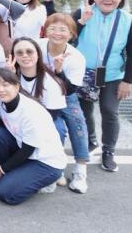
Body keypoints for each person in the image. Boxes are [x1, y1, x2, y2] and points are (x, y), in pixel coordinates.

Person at [72, 0, 132, 173]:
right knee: (84, 112)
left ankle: (108, 151)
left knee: (109, 111)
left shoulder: (127, 19)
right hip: (84, 73)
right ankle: (90, 140)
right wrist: (81, 22)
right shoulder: (82, 13)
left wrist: (127, 81)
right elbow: (67, 37)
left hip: (112, 75)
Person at [0, 68, 67, 205]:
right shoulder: (2, 102)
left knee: (4, 192)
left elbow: (27, 150)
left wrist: (0, 170)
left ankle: (47, 181)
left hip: (46, 162)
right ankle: (16, 175)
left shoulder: (31, 112)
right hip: (26, 151)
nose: (0, 89)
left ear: (17, 86)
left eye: (5, 85)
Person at [36, 14, 89, 192]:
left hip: (65, 93)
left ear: (72, 34)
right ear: (45, 31)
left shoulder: (76, 57)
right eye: (52, 28)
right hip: (39, 93)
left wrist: (59, 71)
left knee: (77, 122)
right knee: (54, 128)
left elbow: (71, 89)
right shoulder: (37, 46)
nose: (57, 33)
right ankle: (55, 167)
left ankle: (81, 169)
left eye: (62, 29)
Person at [10, 38, 67, 142]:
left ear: (38, 54)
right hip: (16, 118)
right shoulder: (11, 75)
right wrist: (10, 79)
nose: (25, 55)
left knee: (58, 130)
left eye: (29, 52)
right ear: (14, 57)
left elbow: (52, 114)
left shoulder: (51, 82)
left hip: (43, 119)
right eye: (19, 53)